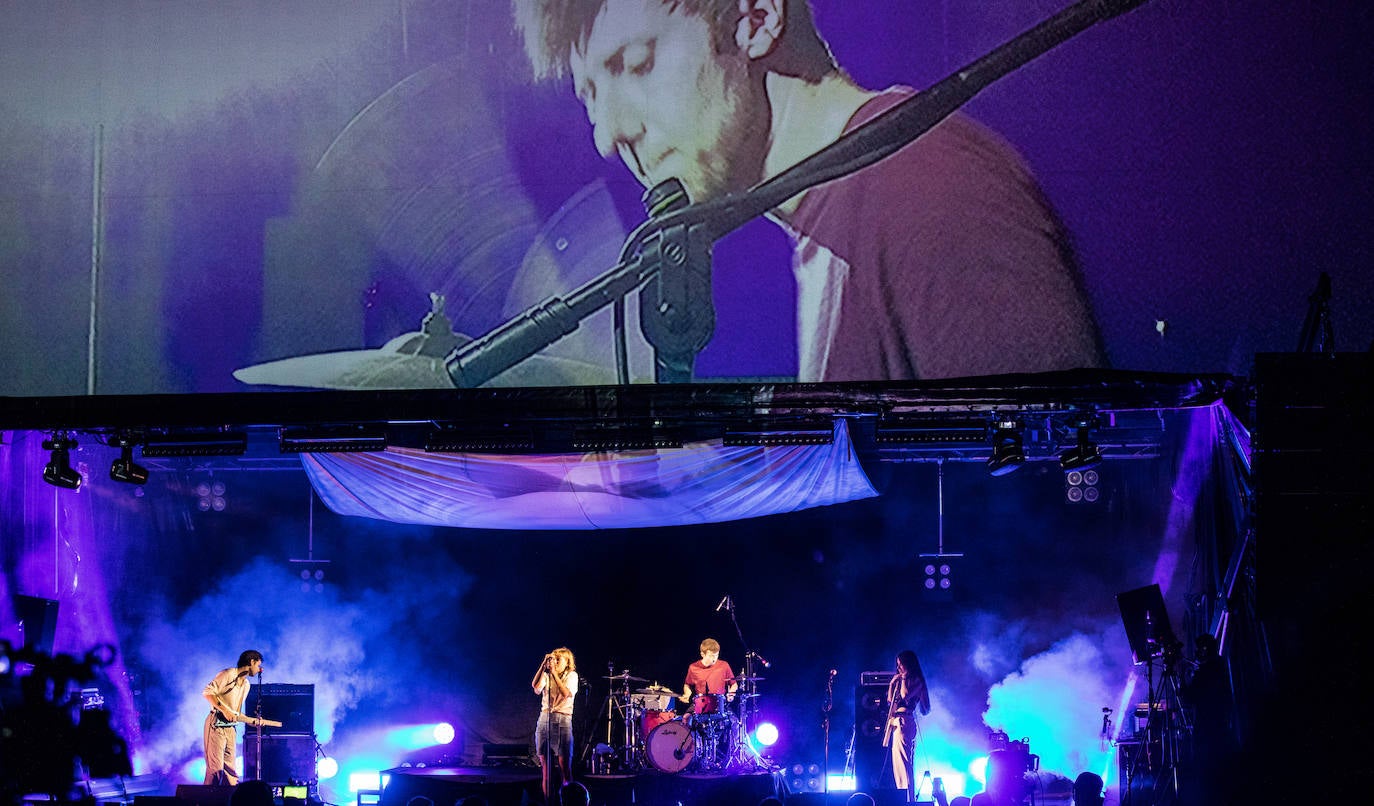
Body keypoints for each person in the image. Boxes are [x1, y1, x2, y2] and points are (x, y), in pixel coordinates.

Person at [510, 0, 1105, 383]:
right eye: (589, 95)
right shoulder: (837, 215)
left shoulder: (924, 180)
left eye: (635, 65)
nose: (610, 135)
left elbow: (1049, 508)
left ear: (756, 18)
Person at [201, 649, 267, 786]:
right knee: (215, 770)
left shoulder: (246, 685)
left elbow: (235, 713)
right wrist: (224, 710)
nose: (259, 669)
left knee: (230, 772)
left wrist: (251, 721)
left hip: (231, 729)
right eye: (258, 665)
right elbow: (207, 692)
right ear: (252, 661)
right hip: (216, 726)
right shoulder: (228, 674)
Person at [532, 647, 579, 801]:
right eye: (554, 659)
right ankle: (548, 802)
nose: (556, 662)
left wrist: (553, 674)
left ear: (567, 662)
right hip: (545, 718)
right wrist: (543, 665)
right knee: (546, 768)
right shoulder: (546, 675)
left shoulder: (572, 676)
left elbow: (566, 694)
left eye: (559, 659)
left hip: (563, 720)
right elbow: (535, 688)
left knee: (564, 766)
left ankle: (569, 801)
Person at [884, 649, 931, 801]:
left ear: (908, 664)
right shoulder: (900, 680)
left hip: (905, 721)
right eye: (897, 665)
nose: (899, 668)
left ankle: (908, 799)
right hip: (897, 722)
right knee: (897, 763)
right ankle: (903, 796)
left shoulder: (916, 680)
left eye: (901, 665)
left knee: (904, 762)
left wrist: (903, 679)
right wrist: (892, 683)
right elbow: (891, 701)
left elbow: (905, 696)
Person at [680, 637, 738, 713]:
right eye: (711, 655)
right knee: (686, 718)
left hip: (720, 704)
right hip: (700, 704)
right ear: (702, 654)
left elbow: (734, 684)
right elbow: (687, 685)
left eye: (716, 655)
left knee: (733, 722)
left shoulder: (724, 665)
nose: (714, 658)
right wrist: (687, 694)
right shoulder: (693, 667)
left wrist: (731, 694)